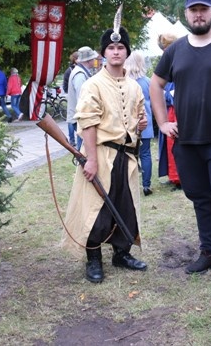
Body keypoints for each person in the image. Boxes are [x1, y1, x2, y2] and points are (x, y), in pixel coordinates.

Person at [150, 0, 211, 289]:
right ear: (186, 14)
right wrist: (163, 122)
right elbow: (156, 83)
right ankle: (209, 252)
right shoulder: (175, 50)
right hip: (187, 140)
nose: (198, 14)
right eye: (193, 10)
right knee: (200, 198)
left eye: (204, 9)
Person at [62, 23, 148, 284]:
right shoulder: (93, 85)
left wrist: (140, 125)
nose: (116, 52)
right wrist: (91, 159)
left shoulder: (133, 86)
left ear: (127, 52)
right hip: (100, 154)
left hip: (126, 156)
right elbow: (87, 122)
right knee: (96, 209)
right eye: (111, 48)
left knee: (125, 207)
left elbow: (138, 117)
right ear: (103, 54)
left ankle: (121, 253)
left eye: (121, 47)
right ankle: (94, 259)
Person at [124, 52, 154, 196]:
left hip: (128, 125)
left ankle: (130, 184)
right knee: (146, 154)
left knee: (129, 155)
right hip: (145, 123)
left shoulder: (123, 82)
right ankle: (146, 185)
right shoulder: (148, 81)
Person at [155, 33, 181, 190]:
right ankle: (173, 177)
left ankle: (180, 178)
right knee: (169, 145)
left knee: (177, 144)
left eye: (166, 48)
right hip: (169, 110)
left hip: (177, 110)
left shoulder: (179, 61)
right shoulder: (166, 62)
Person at [66, 46, 98, 150]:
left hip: (81, 116)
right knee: (83, 148)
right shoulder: (80, 74)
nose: (95, 60)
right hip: (81, 117)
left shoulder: (80, 72)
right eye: (93, 58)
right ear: (89, 60)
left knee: (84, 145)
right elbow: (83, 99)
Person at [63, 51, 79, 145]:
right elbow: (66, 86)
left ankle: (73, 138)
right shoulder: (71, 70)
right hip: (72, 95)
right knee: (71, 118)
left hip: (72, 95)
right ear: (76, 60)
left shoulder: (72, 70)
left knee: (72, 118)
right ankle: (72, 139)